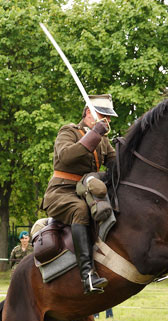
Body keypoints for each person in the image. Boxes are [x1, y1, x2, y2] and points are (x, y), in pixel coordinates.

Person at [41, 94, 118, 295]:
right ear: (88, 114)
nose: (107, 121)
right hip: (62, 193)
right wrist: (94, 134)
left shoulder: (103, 140)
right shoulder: (69, 131)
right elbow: (65, 157)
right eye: (103, 116)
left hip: (88, 191)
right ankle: (88, 276)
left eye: (109, 118)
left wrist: (127, 150)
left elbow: (115, 165)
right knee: (81, 210)